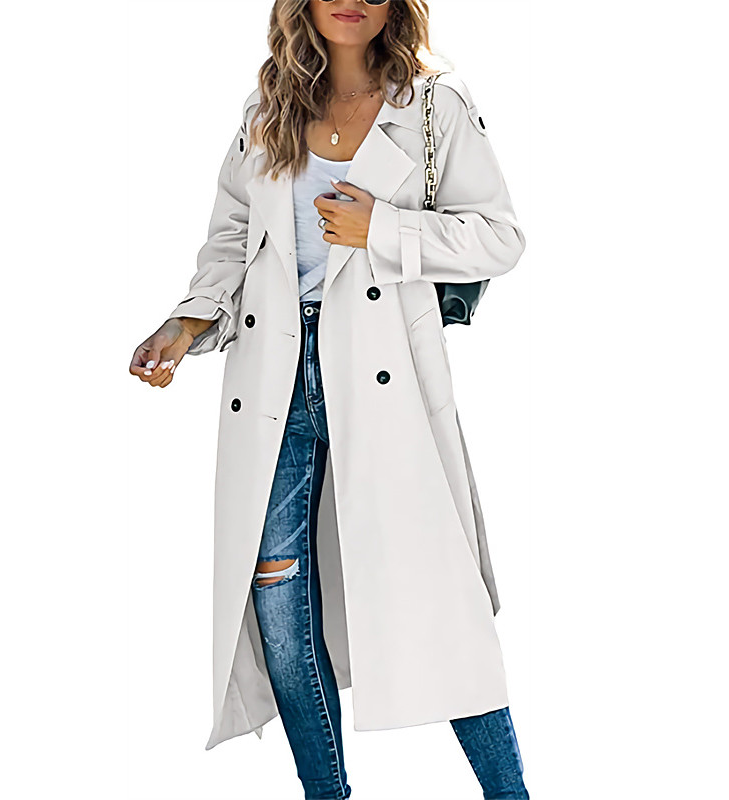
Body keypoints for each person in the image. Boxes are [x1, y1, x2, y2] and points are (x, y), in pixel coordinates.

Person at [129, 2, 529, 798]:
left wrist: (384, 228)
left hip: (385, 380)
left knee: (438, 600)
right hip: (274, 378)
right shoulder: (269, 107)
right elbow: (233, 239)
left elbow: (498, 236)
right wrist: (187, 322)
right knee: (276, 596)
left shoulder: (434, 105)